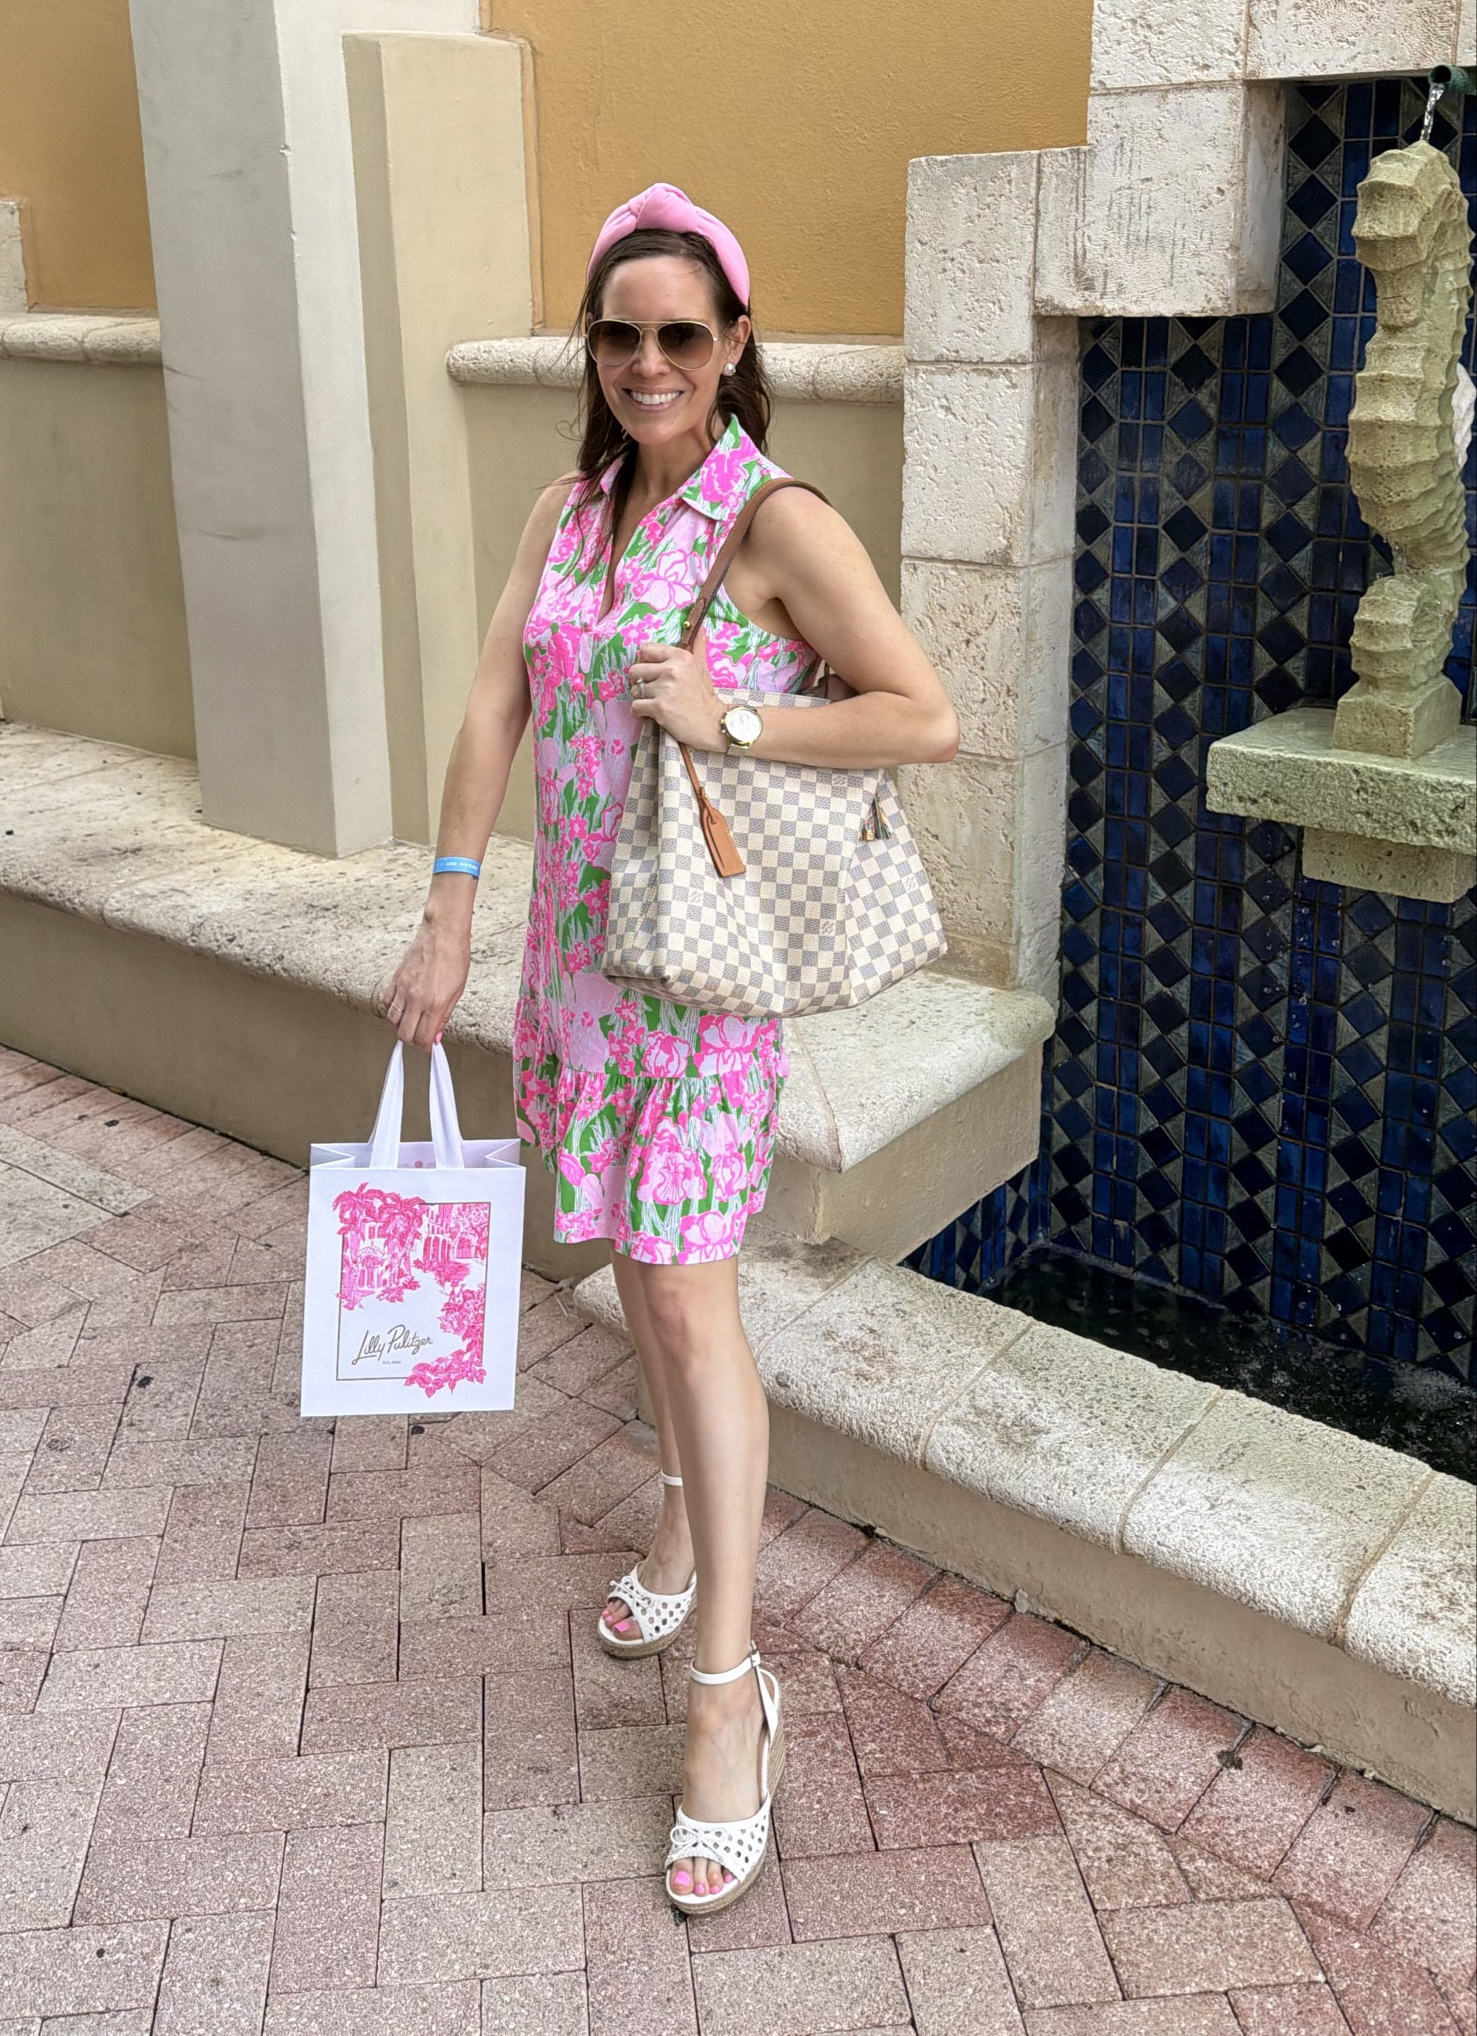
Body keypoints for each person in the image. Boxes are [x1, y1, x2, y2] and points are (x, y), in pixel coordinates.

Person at [379, 181, 958, 1915]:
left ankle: (730, 1694)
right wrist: (448, 911)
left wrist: (741, 711)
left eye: (680, 336)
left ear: (732, 350)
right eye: (620, 334)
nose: (648, 362)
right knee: (633, 1268)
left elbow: (919, 714)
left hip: (697, 989)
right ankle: (685, 1518)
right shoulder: (569, 512)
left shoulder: (765, 517)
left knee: (689, 1296)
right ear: (594, 349)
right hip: (574, 964)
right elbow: (495, 701)